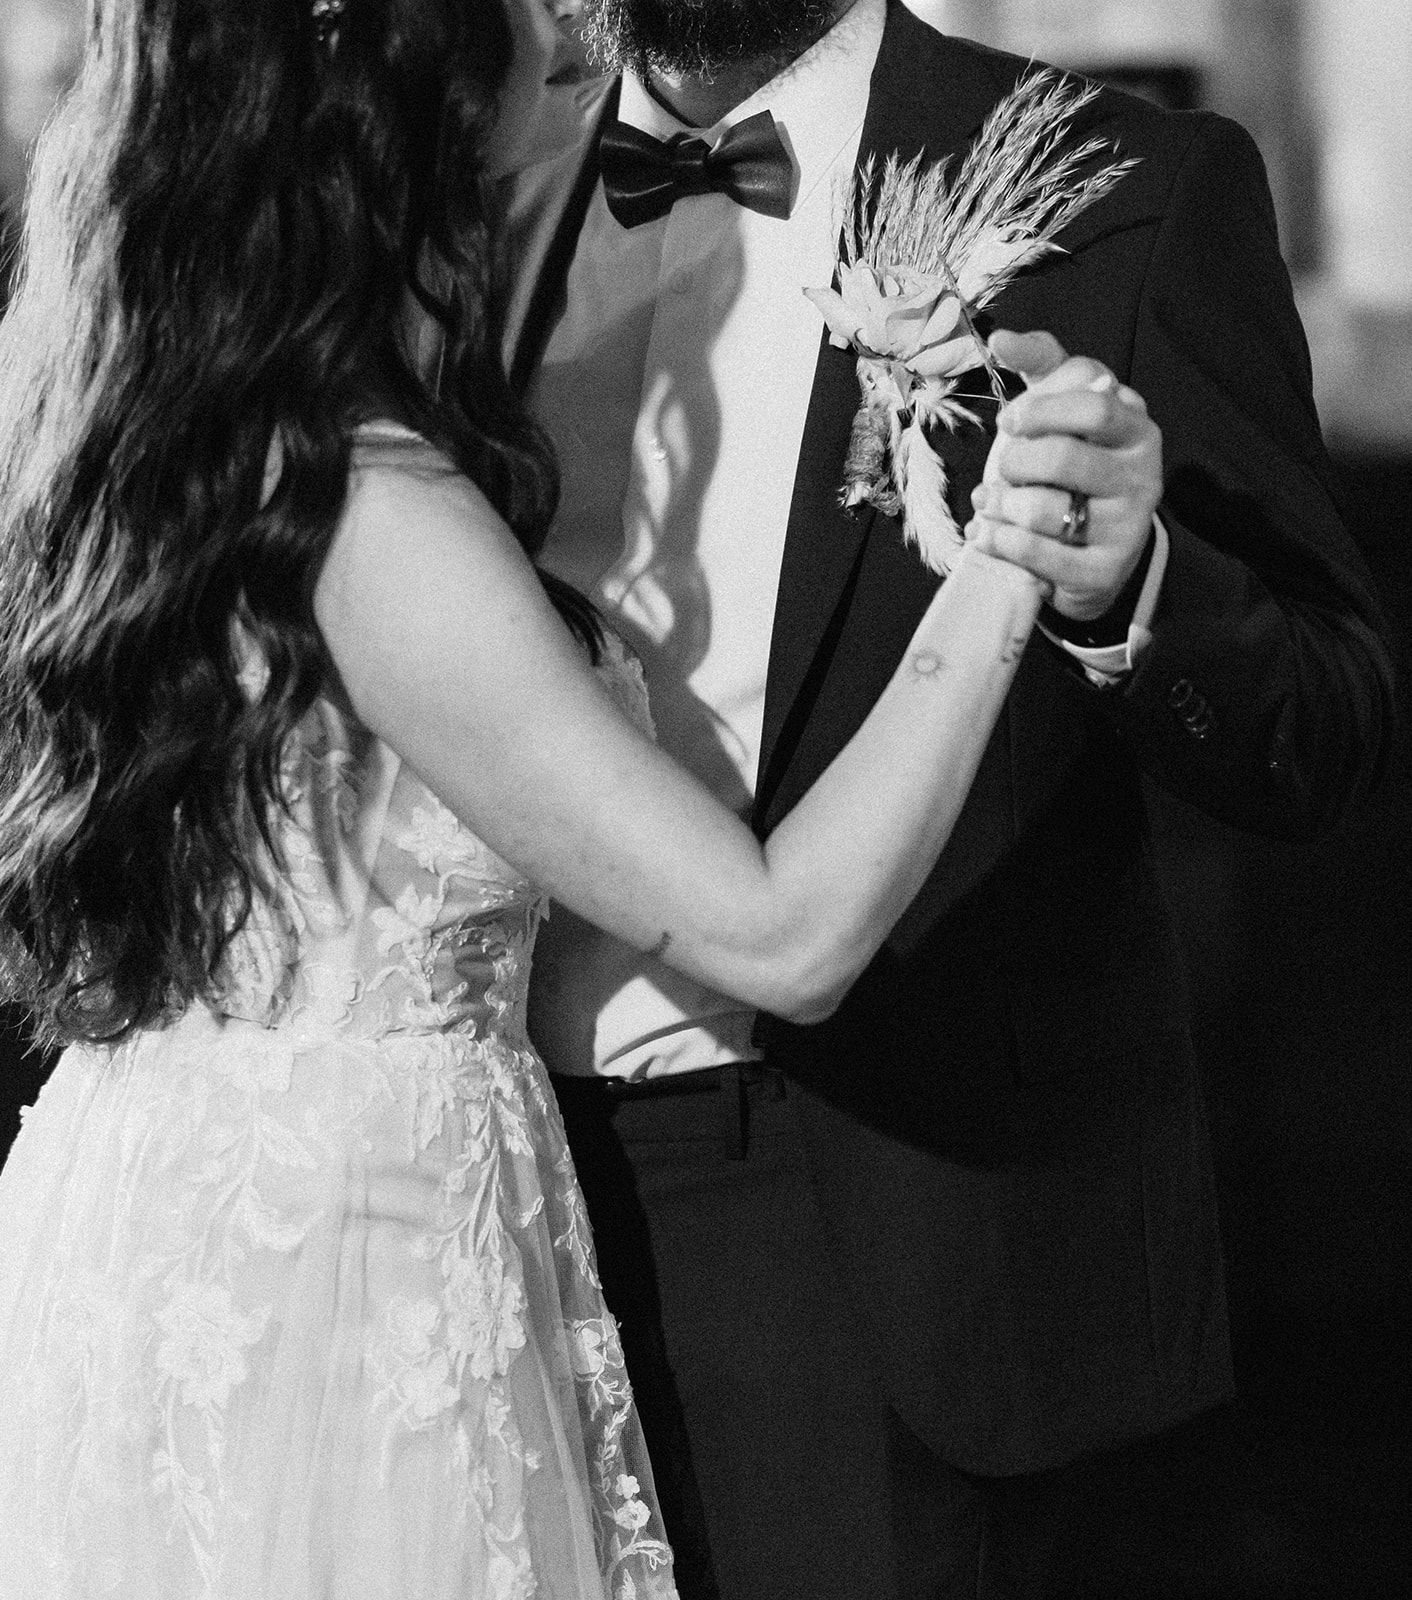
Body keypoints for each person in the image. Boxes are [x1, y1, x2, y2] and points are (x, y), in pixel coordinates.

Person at [0, 1, 1051, 1595]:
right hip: (339, 1280)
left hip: (168, 1199)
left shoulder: (150, 418)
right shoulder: (364, 510)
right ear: (396, 85)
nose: (564, 22)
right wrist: (1008, 560)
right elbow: (785, 934)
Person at [502, 0, 1399, 1596]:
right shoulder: (461, 174)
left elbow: (1323, 729)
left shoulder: (1121, 185)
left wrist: (1131, 586)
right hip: (481, 1193)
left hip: (894, 1238)